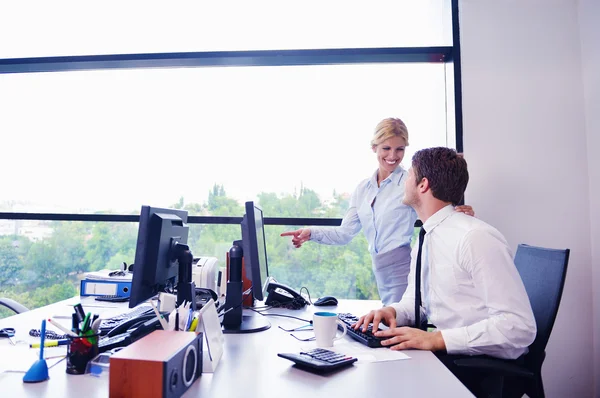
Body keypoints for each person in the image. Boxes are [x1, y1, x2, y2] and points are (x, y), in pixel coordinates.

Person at [353, 147, 536, 395]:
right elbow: (419, 302)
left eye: (409, 176)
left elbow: (519, 327)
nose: (404, 180)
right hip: (449, 356)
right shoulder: (427, 236)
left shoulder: (475, 238)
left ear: (423, 185)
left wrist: (437, 339)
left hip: (481, 366)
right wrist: (391, 311)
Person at [280, 118, 474, 305]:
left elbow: (435, 211)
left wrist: (456, 213)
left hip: (401, 265)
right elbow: (345, 234)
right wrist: (310, 233)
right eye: (386, 148)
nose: (393, 156)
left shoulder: (410, 183)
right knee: (389, 321)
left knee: (402, 322)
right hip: (378, 268)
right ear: (374, 148)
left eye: (400, 149)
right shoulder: (363, 189)